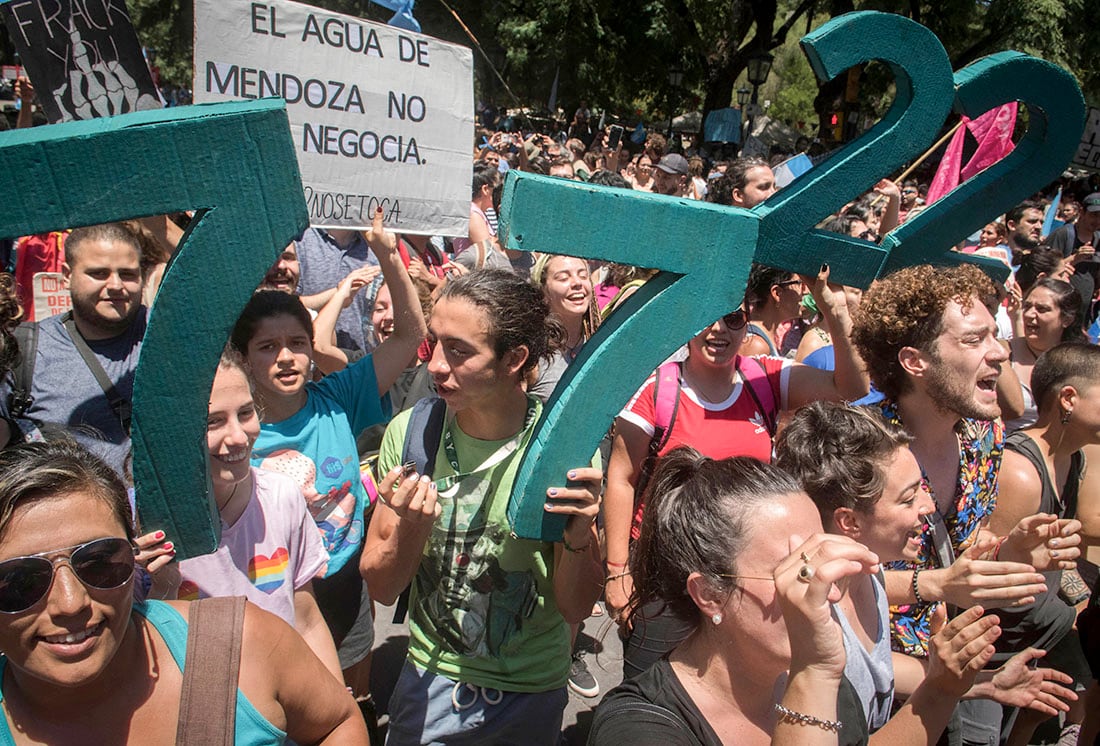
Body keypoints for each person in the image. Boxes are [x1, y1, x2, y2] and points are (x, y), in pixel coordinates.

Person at [361, 269, 604, 745]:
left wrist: (580, 539)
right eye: (434, 342)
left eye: (459, 350)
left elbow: (576, 605)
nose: (433, 365)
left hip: (531, 691)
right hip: (431, 680)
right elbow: (382, 586)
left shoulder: (562, 451)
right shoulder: (413, 435)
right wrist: (410, 528)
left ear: (515, 358)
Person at [0, 438, 368, 745]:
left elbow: (338, 722)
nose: (71, 602)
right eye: (20, 581)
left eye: (99, 562)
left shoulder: (241, 643)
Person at [850, 263, 1082, 743]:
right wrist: (940, 585)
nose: (1000, 352)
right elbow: (817, 578)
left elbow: (959, 557)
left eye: (995, 336)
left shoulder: (985, 436)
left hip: (954, 665)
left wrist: (1010, 556)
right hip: (868, 682)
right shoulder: (852, 447)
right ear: (916, 361)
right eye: (975, 340)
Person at [605, 267, 869, 677]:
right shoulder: (659, 390)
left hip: (738, 576)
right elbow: (621, 477)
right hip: (664, 575)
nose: (718, 330)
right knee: (649, 688)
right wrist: (618, 571)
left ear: (746, 320)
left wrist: (834, 308)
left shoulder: (763, 377)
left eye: (732, 318)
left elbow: (851, 388)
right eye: (705, 318)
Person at [776, 402, 1079, 736]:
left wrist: (984, 683)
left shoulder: (864, 571)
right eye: (908, 499)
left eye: (922, 486)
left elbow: (884, 668)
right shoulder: (810, 626)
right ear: (849, 521)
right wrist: (942, 689)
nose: (928, 506)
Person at [231, 209, 427, 690]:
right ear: (241, 355)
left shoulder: (338, 397)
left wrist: (386, 253)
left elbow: (409, 336)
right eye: (267, 346)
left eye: (297, 342)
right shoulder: (229, 431)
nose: (286, 357)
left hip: (344, 586)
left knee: (354, 698)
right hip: (265, 591)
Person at [591, 448, 892, 746]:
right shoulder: (637, 728)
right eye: (795, 572)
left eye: (820, 562)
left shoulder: (828, 686)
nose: (830, 593)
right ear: (709, 594)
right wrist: (814, 672)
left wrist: (936, 690)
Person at [168, 349, 342, 680]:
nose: (237, 437)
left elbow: (305, 619)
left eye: (246, 413)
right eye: (212, 421)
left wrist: (339, 715)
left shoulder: (281, 497)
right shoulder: (140, 523)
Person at [991, 343, 1098, 745]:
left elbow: (1056, 561)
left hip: (1031, 640)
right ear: (1069, 398)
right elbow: (989, 576)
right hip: (994, 657)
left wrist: (1077, 602)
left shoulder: (1074, 459)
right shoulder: (1020, 472)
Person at [13, 223, 145, 475]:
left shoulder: (165, 335)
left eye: (128, 274)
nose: (116, 285)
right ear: (66, 275)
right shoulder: (26, 350)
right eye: (99, 273)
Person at [1002, 279, 1082, 432]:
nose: (1030, 314)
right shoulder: (1004, 352)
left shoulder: (1079, 362)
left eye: (1042, 309)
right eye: (1027, 306)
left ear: (1067, 319)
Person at [529, 254, 600, 402]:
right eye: (563, 278)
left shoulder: (601, 343)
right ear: (543, 291)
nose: (577, 283)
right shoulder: (532, 353)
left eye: (583, 276)